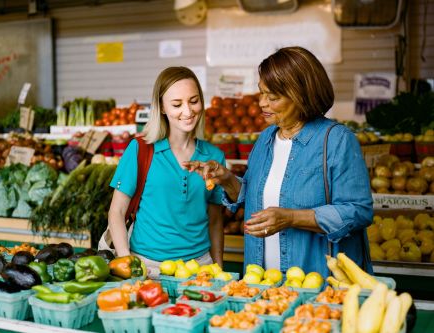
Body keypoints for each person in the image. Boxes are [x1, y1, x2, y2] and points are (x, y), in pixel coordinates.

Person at [184, 46, 373, 278]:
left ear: (301, 96)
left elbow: (358, 210)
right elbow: (255, 196)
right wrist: (226, 179)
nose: (262, 103)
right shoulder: (266, 139)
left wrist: (291, 218)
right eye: (261, 93)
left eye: (272, 97)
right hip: (261, 280)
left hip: (315, 282)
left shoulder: (336, 140)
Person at [108, 66, 225, 278]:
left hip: (200, 268)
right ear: (161, 107)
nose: (188, 111)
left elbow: (216, 220)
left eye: (193, 100)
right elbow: (116, 212)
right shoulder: (141, 149)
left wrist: (218, 267)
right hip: (147, 267)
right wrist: (127, 262)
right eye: (177, 104)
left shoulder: (214, 157)